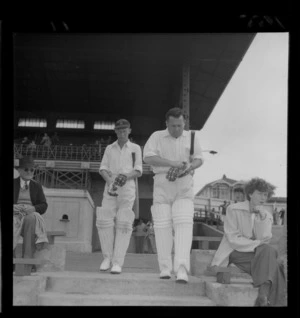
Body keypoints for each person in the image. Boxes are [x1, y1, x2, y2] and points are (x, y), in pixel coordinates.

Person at [143, 107, 204, 283]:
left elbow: (199, 159)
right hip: (162, 182)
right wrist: (172, 163)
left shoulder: (191, 137)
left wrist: (189, 167)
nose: (176, 129)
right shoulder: (157, 136)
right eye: (172, 126)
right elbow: (148, 157)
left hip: (184, 183)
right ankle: (164, 268)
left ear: (184, 123)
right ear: (166, 124)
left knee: (184, 223)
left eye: (179, 125)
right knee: (162, 226)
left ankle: (182, 269)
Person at [210, 177, 287, 306]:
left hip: (257, 254)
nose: (263, 197)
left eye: (265, 194)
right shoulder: (233, 209)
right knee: (274, 261)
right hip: (234, 251)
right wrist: (256, 244)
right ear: (250, 194)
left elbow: (265, 239)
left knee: (270, 255)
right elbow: (233, 239)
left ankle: (263, 297)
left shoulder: (266, 215)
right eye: (259, 193)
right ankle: (269, 297)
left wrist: (261, 220)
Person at [96, 119, 142, 274]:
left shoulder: (135, 148)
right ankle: (107, 258)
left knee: (124, 222)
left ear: (129, 130)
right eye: (119, 130)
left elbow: (138, 170)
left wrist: (125, 177)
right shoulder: (110, 148)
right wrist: (110, 182)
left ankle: (118, 262)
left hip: (127, 188)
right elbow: (102, 168)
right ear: (115, 131)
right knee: (104, 221)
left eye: (124, 130)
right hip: (110, 187)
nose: (122, 133)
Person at [13, 156, 48, 261]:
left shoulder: (37, 186)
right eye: (26, 169)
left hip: (30, 215)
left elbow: (43, 205)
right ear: (19, 170)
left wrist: (33, 208)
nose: (29, 172)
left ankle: (27, 260)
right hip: (15, 214)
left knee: (31, 219)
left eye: (32, 169)